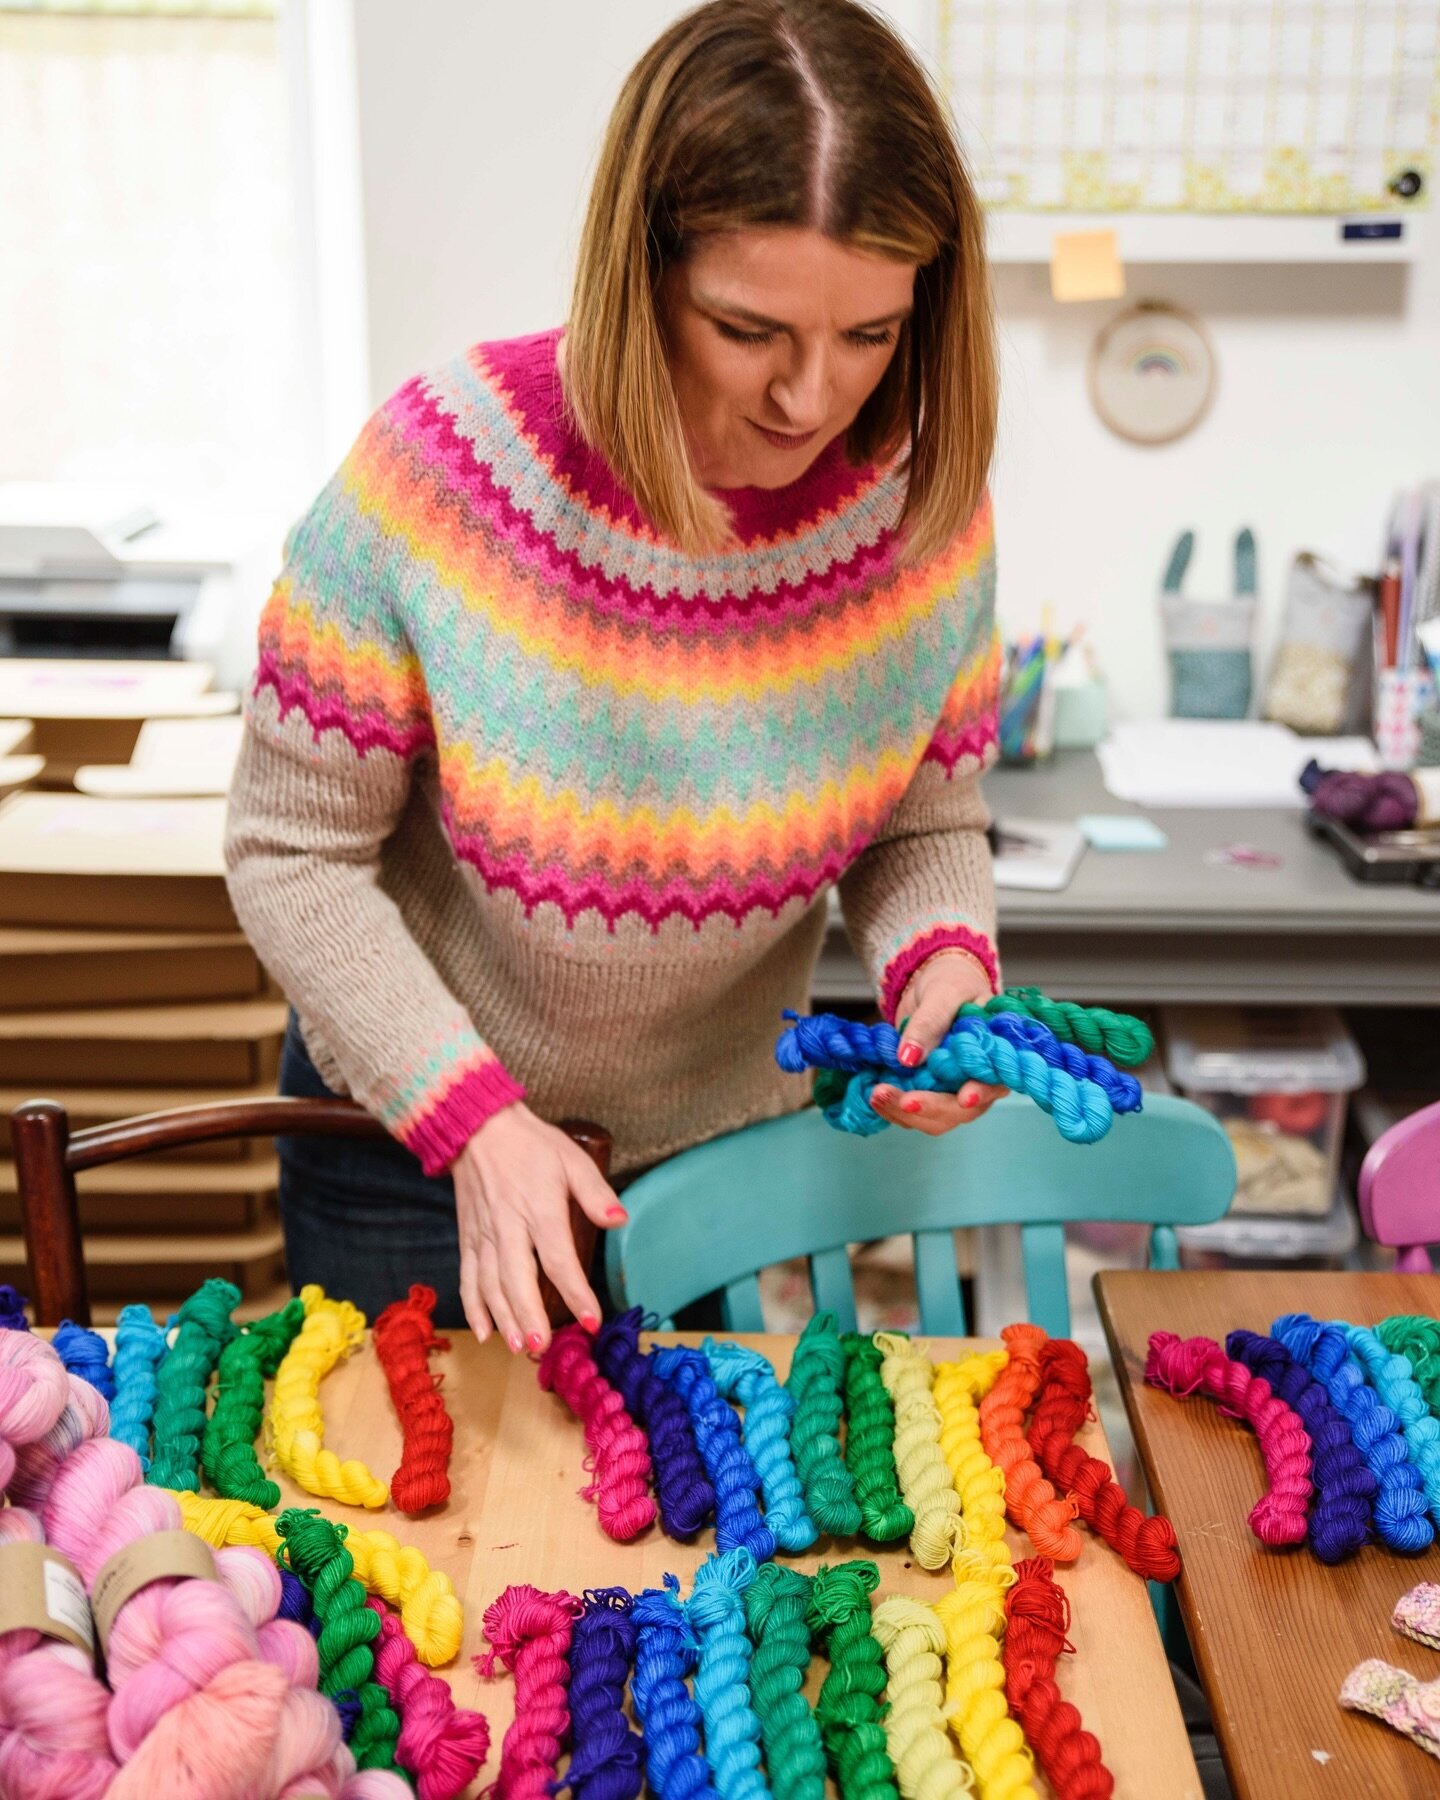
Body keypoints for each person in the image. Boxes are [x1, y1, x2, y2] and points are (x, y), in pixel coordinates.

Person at [225, 0, 1006, 1353]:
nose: (811, 399)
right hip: (409, 1138)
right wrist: (469, 1116)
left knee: (668, 1539)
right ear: (639, 271)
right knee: (415, 1537)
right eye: (750, 328)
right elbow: (290, 850)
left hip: (713, 1162)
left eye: (870, 336)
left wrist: (941, 960)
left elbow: (924, 820)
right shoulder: (438, 476)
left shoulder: (921, 510)